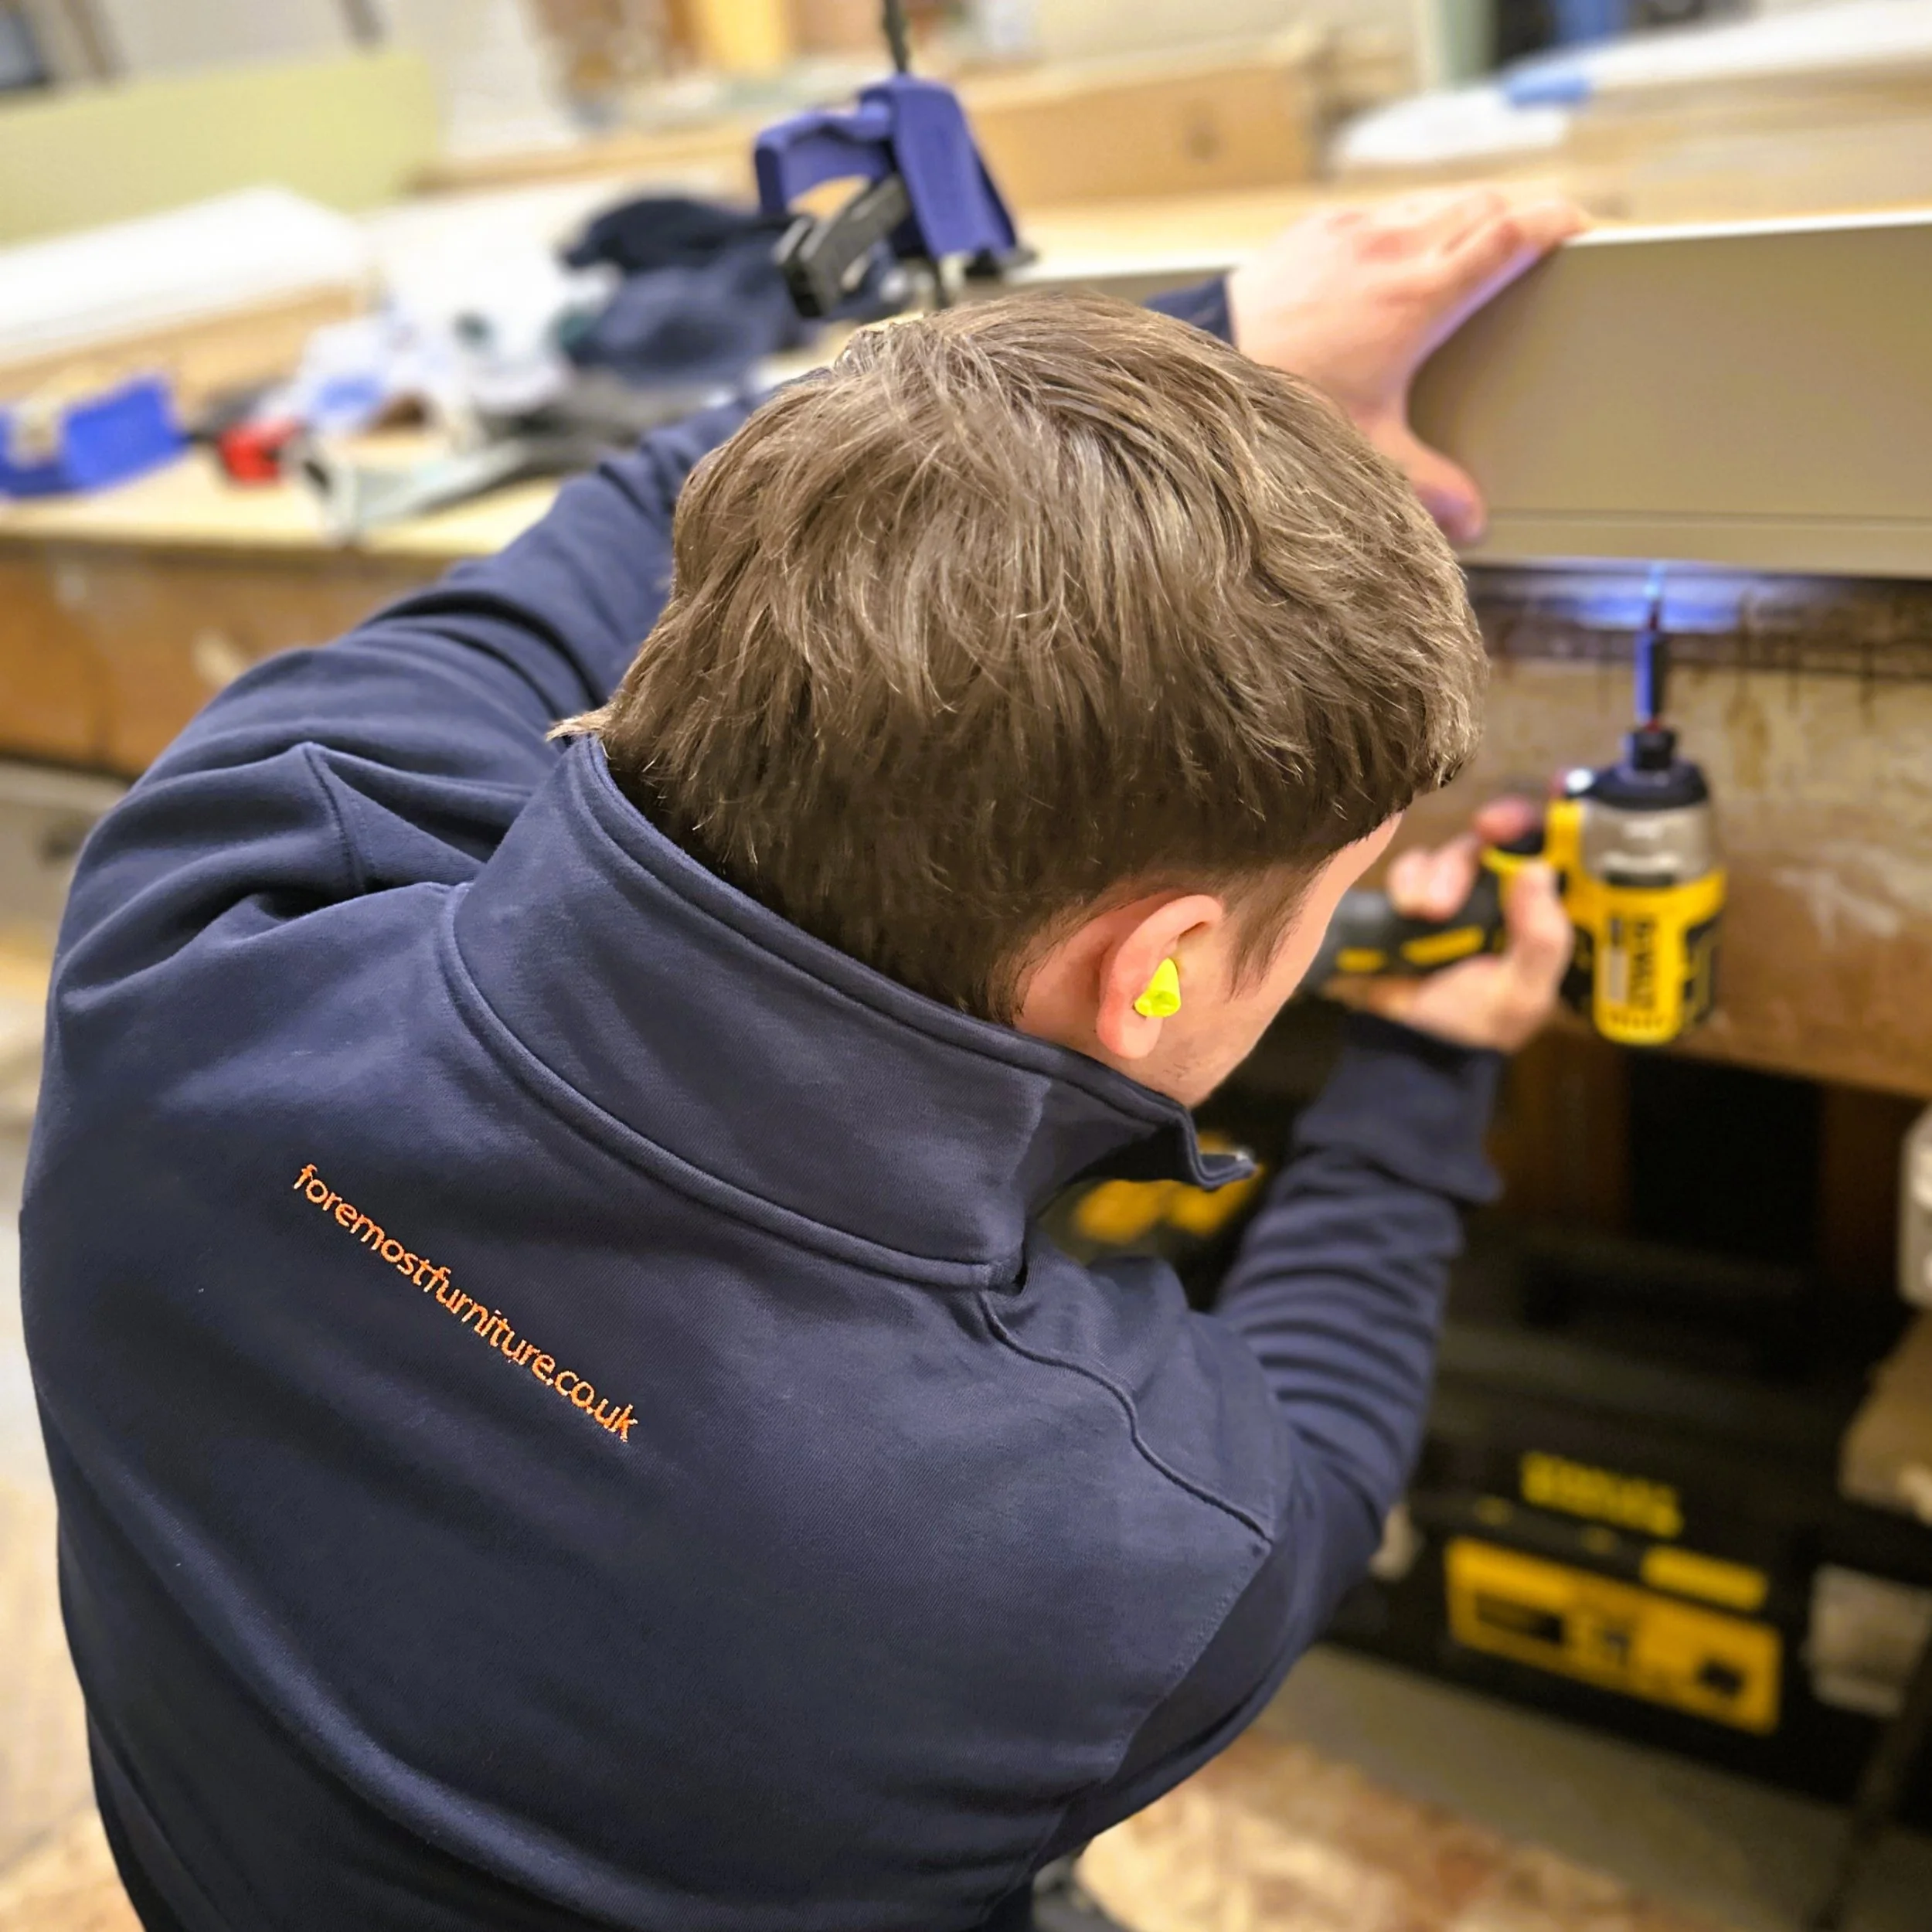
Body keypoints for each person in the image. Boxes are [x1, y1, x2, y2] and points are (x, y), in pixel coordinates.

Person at [23, 189, 1582, 1932]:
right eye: (1316, 909)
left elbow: (621, 523)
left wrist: (1196, 332)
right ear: (1162, 967)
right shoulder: (1101, 1557)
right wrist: (1426, 1075)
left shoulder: (214, 906)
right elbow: (1316, 1453)